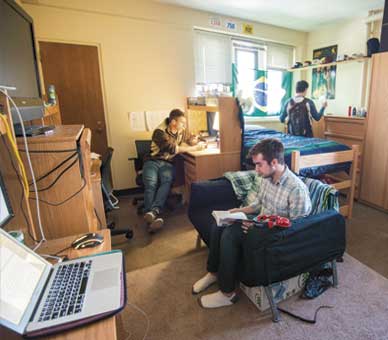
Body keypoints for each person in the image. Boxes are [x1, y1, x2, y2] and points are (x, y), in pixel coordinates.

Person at [192, 138, 312, 308]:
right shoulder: (266, 177)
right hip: (260, 224)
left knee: (230, 235)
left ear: (274, 162)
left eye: (259, 164)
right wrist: (234, 212)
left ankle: (227, 294)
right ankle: (213, 273)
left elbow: (297, 229)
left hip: (276, 236)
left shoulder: (296, 189)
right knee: (219, 225)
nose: (256, 170)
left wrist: (260, 227)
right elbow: (258, 205)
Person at [143, 109, 205, 232]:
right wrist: (195, 147)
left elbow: (187, 141)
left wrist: (193, 141)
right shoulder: (159, 132)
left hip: (167, 163)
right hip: (152, 161)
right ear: (173, 122)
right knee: (151, 184)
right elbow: (171, 149)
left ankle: (153, 213)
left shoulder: (180, 131)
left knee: (166, 181)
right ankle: (151, 215)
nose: (184, 125)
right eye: (182, 123)